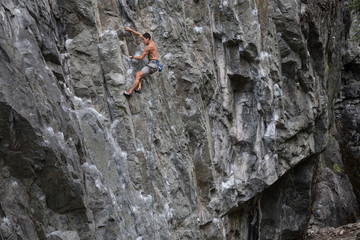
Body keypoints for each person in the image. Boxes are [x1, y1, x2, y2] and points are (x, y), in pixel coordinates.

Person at [123, 26, 159, 97]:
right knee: (138, 74)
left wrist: (132, 57)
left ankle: (130, 92)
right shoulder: (151, 42)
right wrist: (130, 29)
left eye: (144, 40)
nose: (143, 41)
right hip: (154, 64)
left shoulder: (149, 47)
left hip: (152, 65)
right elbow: (139, 35)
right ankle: (139, 88)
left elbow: (141, 57)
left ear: (147, 39)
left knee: (138, 75)